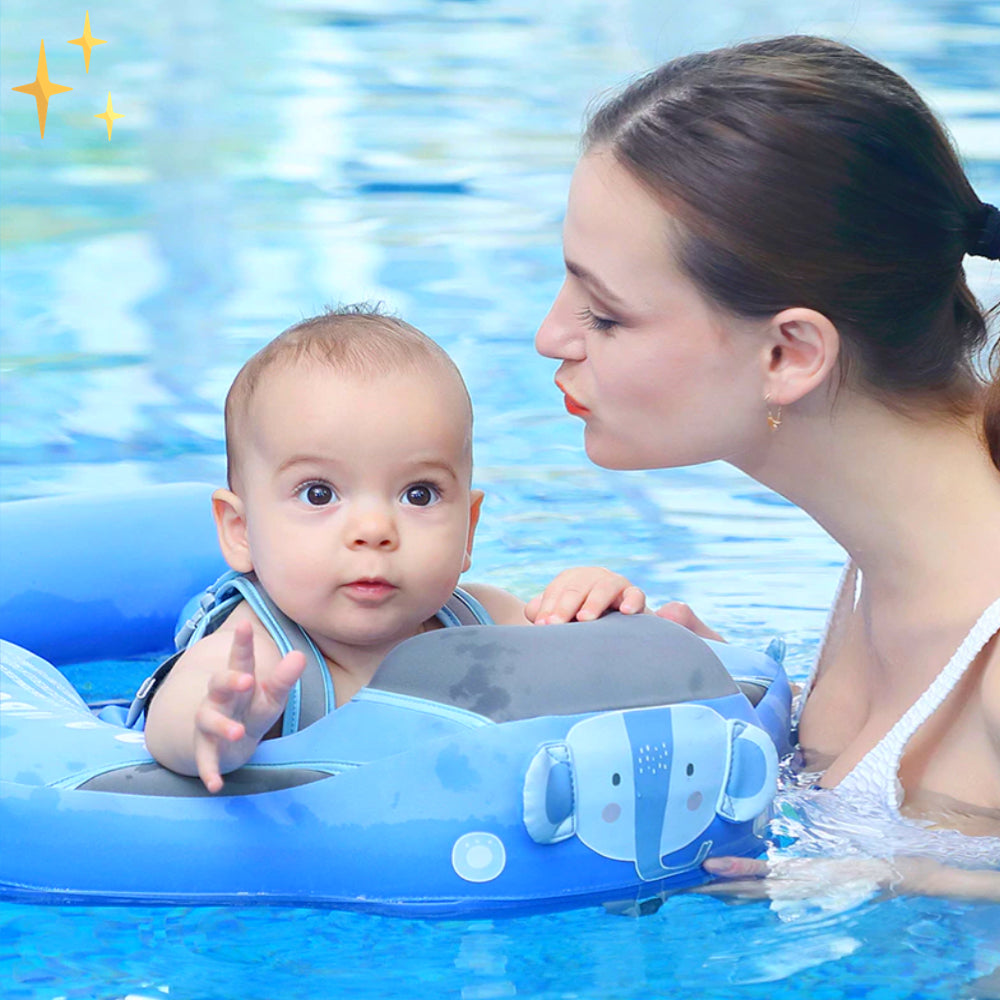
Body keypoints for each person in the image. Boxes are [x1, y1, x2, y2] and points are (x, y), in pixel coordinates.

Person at [530, 35, 1000, 897]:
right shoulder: (887, 554)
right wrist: (726, 690)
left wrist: (872, 875)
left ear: (788, 353)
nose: (551, 337)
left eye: (605, 314)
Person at [143, 306, 645, 792]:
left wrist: (591, 608)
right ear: (240, 531)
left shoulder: (484, 619)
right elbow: (175, 716)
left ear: (468, 531)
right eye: (319, 493)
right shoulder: (255, 649)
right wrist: (215, 728)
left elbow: (594, 678)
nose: (375, 529)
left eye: (418, 494)